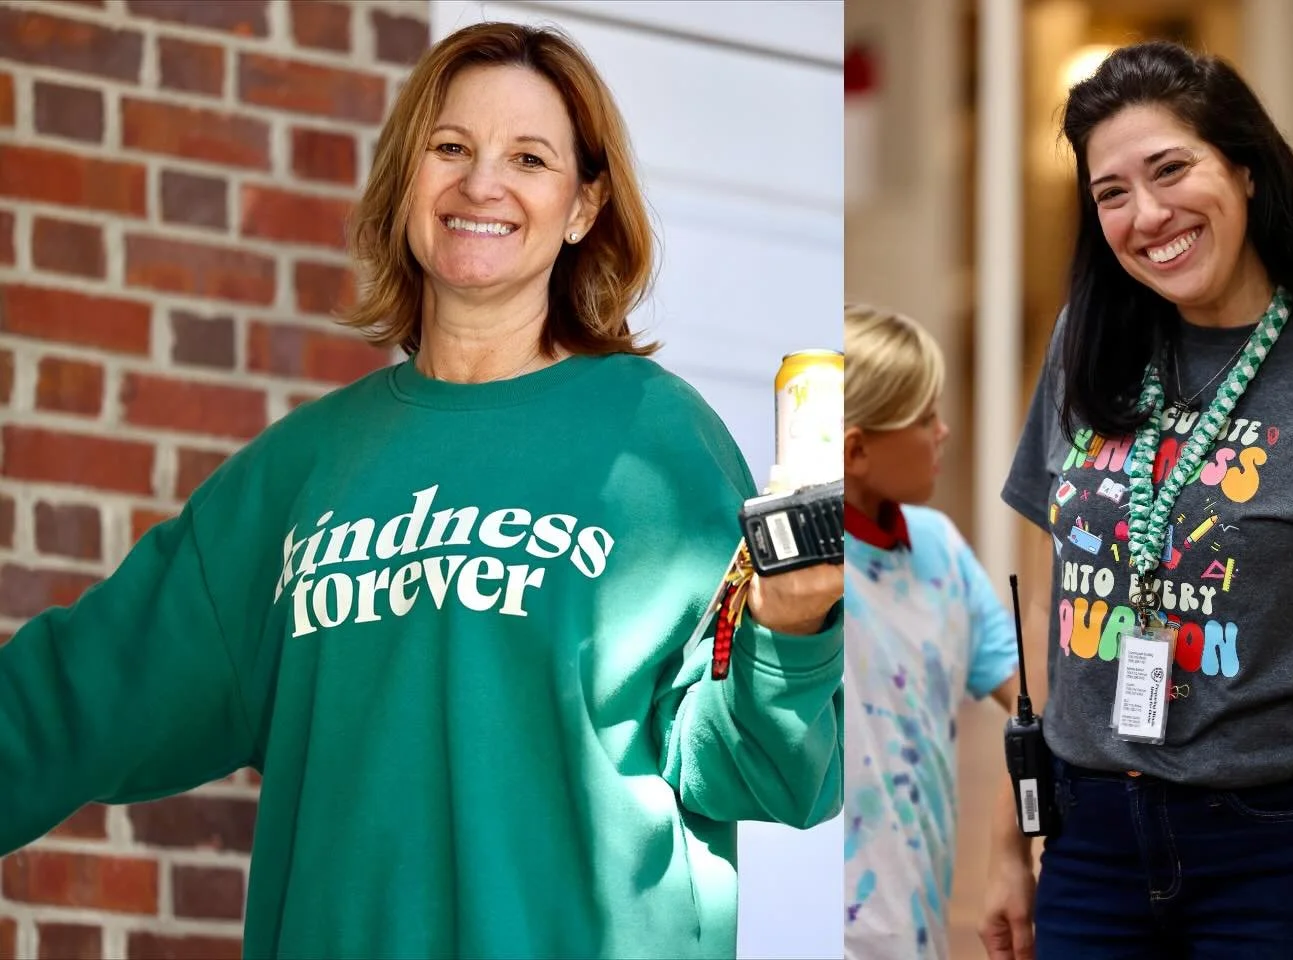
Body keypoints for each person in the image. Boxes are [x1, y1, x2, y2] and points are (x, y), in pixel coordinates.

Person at [0, 22, 844, 960]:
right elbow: (64, 705)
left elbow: (761, 768)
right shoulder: (305, 470)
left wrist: (794, 635)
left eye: (529, 157)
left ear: (580, 206)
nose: (482, 183)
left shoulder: (654, 440)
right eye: (451, 148)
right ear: (408, 180)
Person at [982, 40, 1293, 960]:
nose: (1148, 216)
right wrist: (1009, 837)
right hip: (1095, 838)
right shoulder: (1087, 342)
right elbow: (1054, 611)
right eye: (1111, 193)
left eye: (1170, 169)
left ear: (1244, 167)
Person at [841, 303, 1020, 959]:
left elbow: (1033, 696)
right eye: (923, 418)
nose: (943, 431)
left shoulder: (940, 548)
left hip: (920, 925)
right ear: (856, 449)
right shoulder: (806, 574)